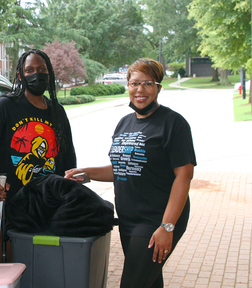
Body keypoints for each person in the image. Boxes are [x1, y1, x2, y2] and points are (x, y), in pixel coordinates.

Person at [65, 58, 196, 288]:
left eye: (147, 83)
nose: (140, 90)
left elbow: (184, 176)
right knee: (149, 281)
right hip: (129, 219)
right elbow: (121, 169)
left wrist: (167, 227)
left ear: (158, 88)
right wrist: (87, 172)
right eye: (134, 83)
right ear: (128, 85)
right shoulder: (124, 123)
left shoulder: (173, 124)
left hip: (157, 219)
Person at [0, 49, 76, 262]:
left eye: (42, 70)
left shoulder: (57, 111)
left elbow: (68, 159)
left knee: (43, 265)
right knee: (10, 265)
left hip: (48, 204)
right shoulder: (4, 106)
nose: (36, 74)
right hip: (12, 205)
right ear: (20, 75)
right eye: (30, 70)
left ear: (49, 74)